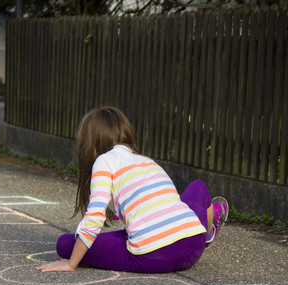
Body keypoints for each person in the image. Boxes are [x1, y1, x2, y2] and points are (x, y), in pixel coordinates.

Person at [37, 106, 228, 275]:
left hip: (153, 256)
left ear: (90, 145)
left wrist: (71, 264)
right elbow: (154, 208)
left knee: (65, 244)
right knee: (198, 186)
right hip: (193, 246)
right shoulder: (145, 160)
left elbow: (95, 217)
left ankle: (74, 253)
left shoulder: (103, 161)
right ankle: (207, 233)